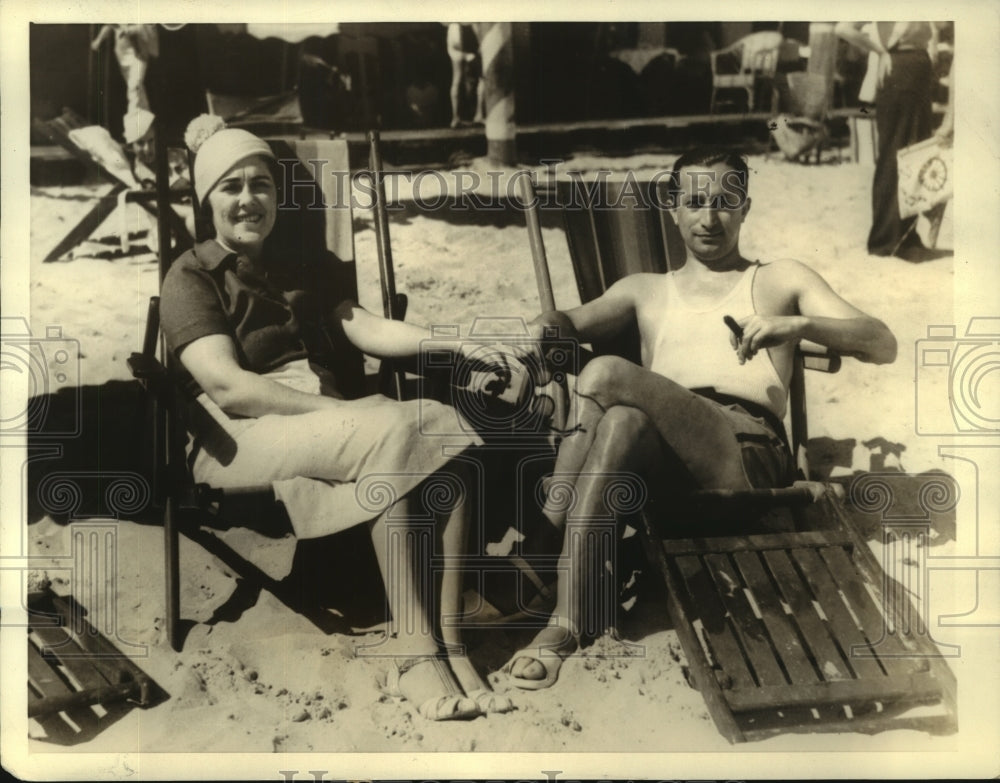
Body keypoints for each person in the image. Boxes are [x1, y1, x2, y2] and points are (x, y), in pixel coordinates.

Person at [502, 148, 898, 690]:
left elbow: (882, 342)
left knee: (603, 373)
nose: (709, 218)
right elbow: (564, 322)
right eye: (694, 202)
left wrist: (796, 324)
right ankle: (568, 620)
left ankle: (539, 553)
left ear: (745, 208)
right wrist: (542, 331)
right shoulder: (644, 289)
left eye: (724, 202)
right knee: (621, 425)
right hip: (664, 467)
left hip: (745, 455)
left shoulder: (780, 279)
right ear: (672, 207)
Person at [159, 118, 512, 720]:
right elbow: (229, 387)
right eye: (231, 186)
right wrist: (342, 410)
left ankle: (449, 641)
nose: (249, 199)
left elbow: (365, 325)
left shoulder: (303, 266)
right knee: (392, 428)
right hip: (238, 438)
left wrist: (453, 344)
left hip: (326, 429)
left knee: (434, 420)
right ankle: (412, 651)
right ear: (206, 199)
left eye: (262, 185)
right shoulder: (190, 275)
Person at [835, 22, 943, 260]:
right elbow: (843, 28)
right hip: (899, 69)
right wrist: (880, 50)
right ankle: (884, 239)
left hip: (917, 71)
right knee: (894, 155)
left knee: (916, 155)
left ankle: (906, 236)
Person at [92, 24, 159, 117]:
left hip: (138, 53)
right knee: (136, 89)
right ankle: (146, 117)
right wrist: (98, 40)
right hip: (122, 54)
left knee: (134, 85)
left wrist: (129, 30)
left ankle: (133, 118)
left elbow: (145, 26)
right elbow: (110, 25)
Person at [447, 23, 485, 128]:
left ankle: (455, 118)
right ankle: (479, 115)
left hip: (453, 29)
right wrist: (480, 41)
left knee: (457, 78)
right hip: (467, 28)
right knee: (482, 78)